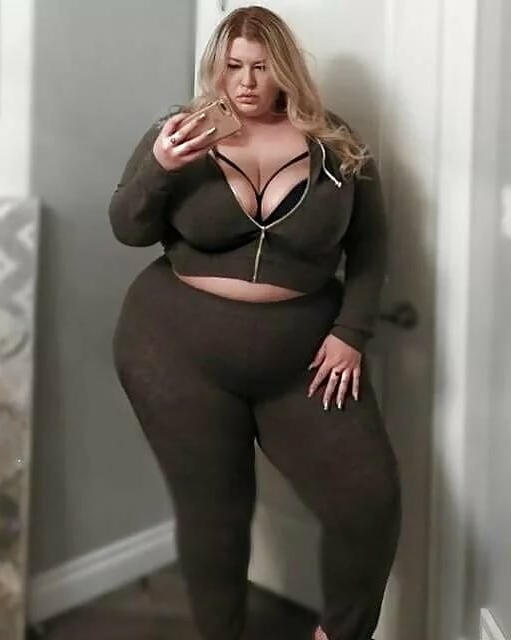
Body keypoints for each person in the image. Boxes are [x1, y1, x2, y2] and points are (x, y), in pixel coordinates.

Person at [109, 6, 402, 640]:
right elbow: (128, 228)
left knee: (369, 500)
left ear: (284, 70)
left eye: (261, 67)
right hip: (173, 349)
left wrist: (352, 333)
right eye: (233, 66)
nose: (245, 81)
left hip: (304, 359)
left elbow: (371, 246)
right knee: (215, 515)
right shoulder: (180, 132)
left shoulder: (336, 143)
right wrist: (160, 167)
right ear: (217, 68)